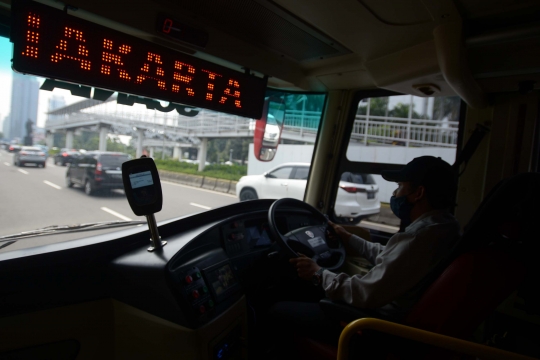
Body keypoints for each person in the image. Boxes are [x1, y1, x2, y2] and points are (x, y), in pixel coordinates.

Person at [263, 156, 461, 357]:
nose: (395, 193)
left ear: (418, 193)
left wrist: (317, 273)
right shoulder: (444, 226)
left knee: (276, 310)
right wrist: (348, 238)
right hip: (388, 319)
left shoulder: (418, 237)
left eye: (400, 186)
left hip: (374, 327)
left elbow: (364, 293)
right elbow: (391, 257)